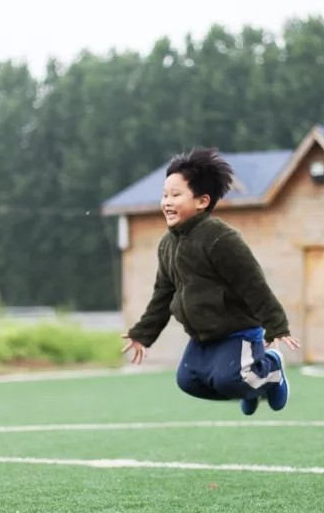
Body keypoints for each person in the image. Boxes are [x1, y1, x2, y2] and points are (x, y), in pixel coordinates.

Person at [121, 146, 300, 415]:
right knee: (188, 382)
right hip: (203, 336)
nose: (167, 202)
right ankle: (252, 387)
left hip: (237, 330)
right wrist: (143, 335)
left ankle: (271, 369)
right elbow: (162, 295)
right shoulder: (167, 245)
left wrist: (276, 325)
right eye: (164, 195)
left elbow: (253, 283)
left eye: (176, 195)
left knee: (231, 380)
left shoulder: (219, 238)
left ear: (202, 201)